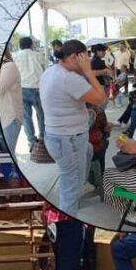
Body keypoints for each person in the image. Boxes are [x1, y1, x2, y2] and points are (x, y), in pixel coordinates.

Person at [39, 39, 107, 217]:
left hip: (57, 136)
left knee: (86, 153)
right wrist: (89, 72)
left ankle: (78, 182)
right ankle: (68, 222)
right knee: (71, 191)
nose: (88, 61)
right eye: (84, 58)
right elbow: (101, 98)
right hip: (69, 139)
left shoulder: (50, 71)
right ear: (73, 57)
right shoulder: (69, 78)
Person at [16, 36, 47, 148]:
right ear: (31, 45)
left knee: (26, 117)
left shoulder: (15, 56)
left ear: (20, 45)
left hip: (21, 89)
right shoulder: (38, 55)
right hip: (37, 88)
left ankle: (32, 141)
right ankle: (43, 137)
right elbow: (45, 70)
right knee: (41, 114)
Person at [0, 49, 24, 153]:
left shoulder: (9, 67)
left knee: (10, 153)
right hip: (5, 118)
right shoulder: (4, 67)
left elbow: (0, 88)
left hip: (10, 118)